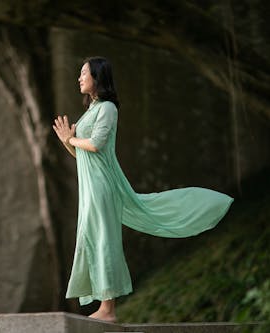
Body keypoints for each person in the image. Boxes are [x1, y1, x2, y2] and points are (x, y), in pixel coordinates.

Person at [52, 57, 234, 322]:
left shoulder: (108, 109)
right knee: (91, 238)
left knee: (104, 240)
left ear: (98, 77)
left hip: (103, 187)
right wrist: (67, 141)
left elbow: (97, 144)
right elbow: (82, 155)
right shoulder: (91, 110)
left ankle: (108, 309)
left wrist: (72, 138)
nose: (79, 78)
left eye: (84, 73)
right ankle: (104, 305)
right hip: (90, 188)